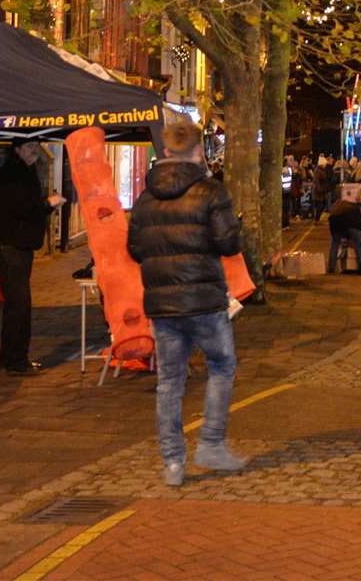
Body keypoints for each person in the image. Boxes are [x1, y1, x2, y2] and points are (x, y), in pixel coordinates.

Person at [128, 119, 246, 488]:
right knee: (222, 365)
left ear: (165, 152)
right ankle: (210, 443)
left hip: (163, 303)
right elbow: (229, 244)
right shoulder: (211, 192)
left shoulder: (145, 198)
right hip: (205, 299)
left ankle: (173, 463)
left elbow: (134, 248)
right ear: (198, 151)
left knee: (170, 381)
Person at [0, 141, 64, 375]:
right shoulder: (12, 174)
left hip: (17, 245)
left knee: (17, 304)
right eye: (29, 146)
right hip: (8, 245)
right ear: (17, 149)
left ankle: (11, 358)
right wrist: (48, 203)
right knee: (19, 303)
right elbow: (22, 207)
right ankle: (16, 361)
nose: (35, 150)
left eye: (36, 146)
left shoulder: (23, 171)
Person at [325, 196, 361, 274]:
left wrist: (340, 237)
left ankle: (331, 267)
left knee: (334, 245)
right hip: (354, 227)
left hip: (338, 229)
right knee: (360, 246)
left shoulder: (334, 213)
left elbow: (332, 230)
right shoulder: (353, 209)